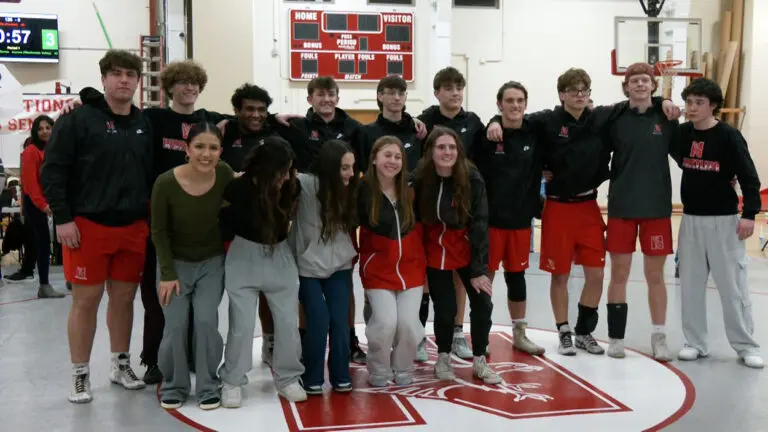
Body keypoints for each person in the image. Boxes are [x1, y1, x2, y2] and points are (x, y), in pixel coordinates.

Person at [486, 68, 678, 356]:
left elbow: (637, 100)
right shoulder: (546, 121)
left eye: (584, 90)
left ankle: (584, 331)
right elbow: (515, 120)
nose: (579, 95)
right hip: (558, 207)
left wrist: (662, 98)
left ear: (589, 94)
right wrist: (493, 120)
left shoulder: (601, 116)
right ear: (562, 94)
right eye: (572, 90)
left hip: (589, 207)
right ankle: (564, 331)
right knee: (560, 275)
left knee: (597, 274)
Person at [70, 60, 229, 384]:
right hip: (155, 219)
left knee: (198, 306)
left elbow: (248, 120)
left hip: (197, 222)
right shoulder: (152, 118)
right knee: (158, 296)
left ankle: (192, 357)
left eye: (194, 84)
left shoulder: (208, 120)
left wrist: (281, 118)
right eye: (182, 83)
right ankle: (154, 358)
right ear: (170, 87)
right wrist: (85, 99)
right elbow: (118, 109)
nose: (189, 89)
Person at [41, 49, 153, 403]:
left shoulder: (144, 123)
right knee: (86, 300)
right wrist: (62, 217)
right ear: (103, 78)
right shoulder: (78, 119)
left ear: (138, 81)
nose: (123, 80)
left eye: (130, 75)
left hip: (133, 226)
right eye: (116, 74)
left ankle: (120, 364)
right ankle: (79, 373)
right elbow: (53, 170)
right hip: (87, 226)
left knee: (123, 299)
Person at [670, 78, 763, 369]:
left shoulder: (729, 137)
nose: (692, 107)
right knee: (691, 286)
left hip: (725, 221)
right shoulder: (682, 134)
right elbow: (679, 157)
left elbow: (749, 178)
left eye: (699, 102)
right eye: (689, 102)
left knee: (732, 287)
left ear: (713, 106)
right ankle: (695, 342)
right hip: (691, 220)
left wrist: (749, 214)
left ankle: (746, 345)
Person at [218, 137, 307, 406]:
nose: (284, 177)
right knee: (242, 325)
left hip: (279, 254)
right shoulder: (237, 188)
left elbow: (290, 216)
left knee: (288, 324)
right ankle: (232, 379)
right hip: (243, 255)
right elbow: (225, 226)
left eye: (288, 170)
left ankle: (288, 377)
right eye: (279, 172)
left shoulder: (293, 186)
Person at [151, 122, 234, 410]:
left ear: (221, 152)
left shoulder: (224, 174)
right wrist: (166, 273)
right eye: (199, 146)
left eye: (213, 147)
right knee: (175, 325)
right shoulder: (165, 182)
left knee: (205, 321)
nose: (206, 153)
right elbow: (158, 231)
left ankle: (208, 384)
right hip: (174, 264)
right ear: (186, 149)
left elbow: (246, 190)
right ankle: (174, 384)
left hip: (211, 263)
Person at [414, 126, 500, 383]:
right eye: (441, 147)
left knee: (483, 301)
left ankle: (479, 361)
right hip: (435, 249)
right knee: (445, 307)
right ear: (430, 151)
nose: (447, 151)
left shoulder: (471, 177)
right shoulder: (420, 177)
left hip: (467, 247)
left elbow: (480, 223)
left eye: (452, 147)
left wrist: (478, 270)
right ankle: (442, 357)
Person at [604, 63, 677, 361]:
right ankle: (616, 339)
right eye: (634, 81)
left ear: (653, 85)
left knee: (654, 276)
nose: (640, 85)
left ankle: (659, 337)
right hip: (622, 207)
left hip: (656, 209)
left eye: (645, 80)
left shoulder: (667, 116)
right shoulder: (614, 117)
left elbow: (688, 150)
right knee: (618, 274)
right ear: (626, 86)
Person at [416, 67, 487, 360]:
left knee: (460, 280)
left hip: (461, 211)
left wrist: (495, 121)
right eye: (448, 88)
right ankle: (419, 335)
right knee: (426, 279)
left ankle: (458, 333)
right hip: (431, 211)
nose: (455, 93)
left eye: (459, 87)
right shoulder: (424, 121)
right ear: (437, 93)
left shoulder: (473, 122)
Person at [472, 81, 544, 355]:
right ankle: (481, 335)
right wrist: (492, 122)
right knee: (484, 279)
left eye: (520, 101)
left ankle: (520, 335)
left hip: (521, 221)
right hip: (489, 222)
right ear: (499, 103)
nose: (515, 105)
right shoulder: (487, 136)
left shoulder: (535, 132)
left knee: (517, 278)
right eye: (509, 100)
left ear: (526, 104)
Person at [290, 140, 359, 394]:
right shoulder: (305, 184)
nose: (351, 174)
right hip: (307, 267)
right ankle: (311, 376)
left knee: (341, 322)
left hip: (339, 266)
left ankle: (341, 373)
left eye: (352, 167)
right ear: (330, 167)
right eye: (344, 168)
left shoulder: (350, 188)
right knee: (318, 320)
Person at [357, 135, 426, 387]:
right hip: (377, 270)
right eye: (387, 155)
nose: (393, 161)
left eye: (398, 156)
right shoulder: (362, 191)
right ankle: (378, 367)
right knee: (385, 323)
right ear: (374, 159)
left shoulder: (411, 189)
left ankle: (403, 366)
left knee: (409, 324)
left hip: (412, 269)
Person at [8, 116, 65, 298]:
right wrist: (43, 205)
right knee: (43, 243)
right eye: (40, 128)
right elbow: (31, 184)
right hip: (36, 203)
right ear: (35, 131)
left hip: (49, 201)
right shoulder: (31, 151)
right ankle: (44, 285)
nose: (45, 131)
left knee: (57, 241)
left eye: (48, 127)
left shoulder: (53, 149)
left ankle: (64, 280)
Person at [357, 75, 424, 173]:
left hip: (409, 188)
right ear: (380, 96)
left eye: (401, 93)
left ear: (406, 97)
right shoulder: (366, 133)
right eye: (391, 93)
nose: (397, 98)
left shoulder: (417, 131)